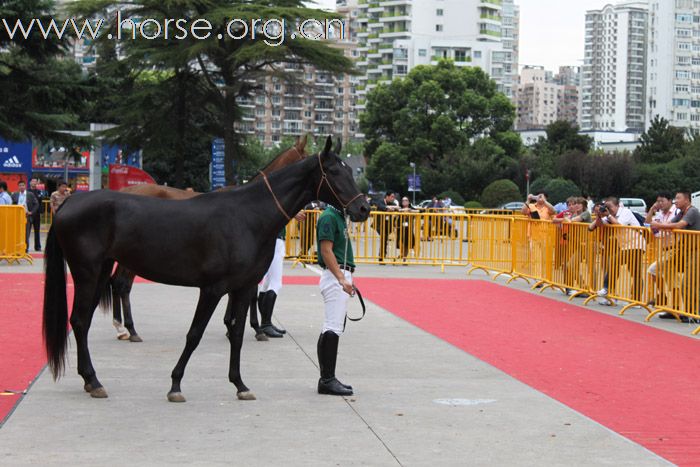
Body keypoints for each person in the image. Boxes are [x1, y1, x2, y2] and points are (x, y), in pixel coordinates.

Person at [315, 202, 356, 396]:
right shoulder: (329, 217)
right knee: (332, 327)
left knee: (332, 326)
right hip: (335, 275)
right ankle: (327, 380)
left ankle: (327, 378)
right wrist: (341, 278)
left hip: (340, 273)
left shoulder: (338, 216)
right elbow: (326, 250)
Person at [651, 191, 700, 318]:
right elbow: (669, 224)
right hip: (684, 250)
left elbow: (679, 225)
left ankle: (693, 313)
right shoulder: (681, 212)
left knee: (689, 283)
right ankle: (677, 308)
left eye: (678, 198)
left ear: (687, 200)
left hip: (695, 251)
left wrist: (658, 225)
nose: (675, 200)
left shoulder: (692, 211)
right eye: (675, 198)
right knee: (657, 269)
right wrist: (658, 224)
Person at [589, 197, 646, 305]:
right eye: (606, 207)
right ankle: (635, 300)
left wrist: (608, 215)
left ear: (617, 206)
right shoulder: (610, 216)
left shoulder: (626, 212)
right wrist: (599, 216)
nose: (608, 209)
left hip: (636, 244)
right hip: (625, 246)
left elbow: (619, 225)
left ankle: (607, 288)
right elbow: (592, 227)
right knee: (635, 272)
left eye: (610, 207)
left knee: (615, 262)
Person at [644, 192, 679, 308]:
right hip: (665, 249)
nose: (660, 203)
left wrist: (657, 227)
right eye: (658, 201)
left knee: (652, 269)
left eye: (662, 201)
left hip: (675, 248)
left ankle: (663, 298)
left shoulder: (676, 212)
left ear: (670, 201)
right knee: (672, 280)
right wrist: (652, 209)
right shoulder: (660, 213)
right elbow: (647, 224)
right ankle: (674, 307)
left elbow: (665, 228)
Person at [11, 181, 39, 253]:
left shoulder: (30, 194)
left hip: (26, 216)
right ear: (18, 187)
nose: (21, 187)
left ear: (25, 186)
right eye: (20, 185)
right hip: (17, 217)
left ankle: (25, 249)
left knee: (26, 234)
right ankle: (17, 249)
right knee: (17, 233)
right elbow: (11, 204)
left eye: (23, 185)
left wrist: (31, 212)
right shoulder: (15, 194)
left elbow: (36, 204)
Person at [374, 191, 399, 262]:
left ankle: (382, 254)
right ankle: (381, 256)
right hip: (379, 224)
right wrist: (388, 208)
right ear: (387, 197)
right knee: (384, 238)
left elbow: (396, 207)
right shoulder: (381, 201)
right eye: (392, 196)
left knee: (384, 239)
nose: (393, 198)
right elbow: (382, 207)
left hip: (387, 225)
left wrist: (391, 208)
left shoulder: (391, 203)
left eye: (393, 197)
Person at [396, 196, 420, 262]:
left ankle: (404, 257)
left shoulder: (411, 208)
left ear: (409, 202)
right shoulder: (400, 207)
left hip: (409, 228)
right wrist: (402, 210)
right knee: (401, 243)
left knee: (407, 243)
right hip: (400, 228)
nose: (404, 202)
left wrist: (411, 211)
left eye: (406, 200)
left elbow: (420, 211)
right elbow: (395, 210)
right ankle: (402, 255)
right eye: (403, 200)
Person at [28, 179, 44, 251]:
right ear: (30, 183)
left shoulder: (39, 192)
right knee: (27, 231)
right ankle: (25, 247)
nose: (34, 183)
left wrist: (41, 211)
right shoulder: (27, 192)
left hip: (37, 214)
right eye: (33, 181)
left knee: (37, 231)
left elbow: (40, 202)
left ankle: (38, 246)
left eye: (35, 182)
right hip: (28, 214)